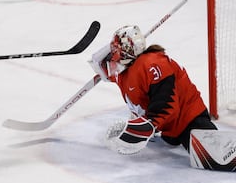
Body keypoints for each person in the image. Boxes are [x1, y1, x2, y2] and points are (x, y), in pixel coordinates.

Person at [89, 25, 217, 155]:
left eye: (115, 48)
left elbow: (166, 104)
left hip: (188, 120)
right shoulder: (122, 73)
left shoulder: (152, 63)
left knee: (213, 153)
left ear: (127, 50)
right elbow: (97, 63)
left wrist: (149, 125)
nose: (113, 53)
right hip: (168, 130)